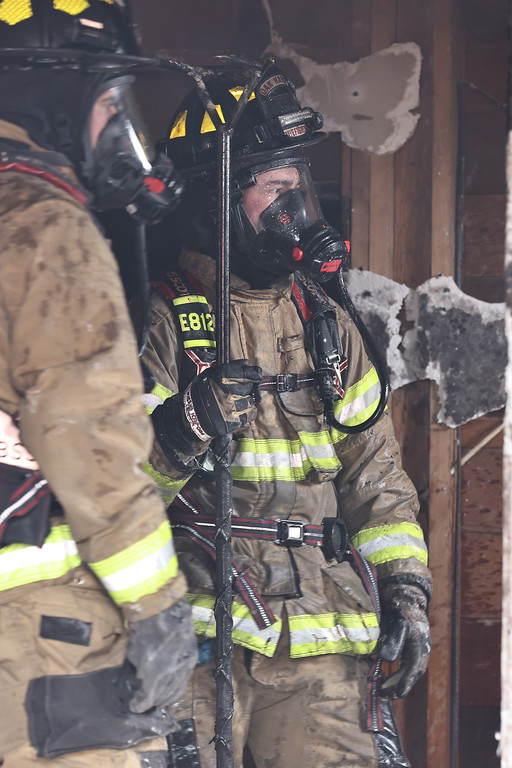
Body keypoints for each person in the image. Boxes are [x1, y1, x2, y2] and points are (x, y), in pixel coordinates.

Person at [142, 64, 432, 768]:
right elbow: (115, 490)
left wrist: (405, 589)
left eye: (297, 186)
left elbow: (374, 474)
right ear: (217, 198)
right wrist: (184, 427)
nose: (295, 210)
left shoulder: (325, 321)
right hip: (203, 637)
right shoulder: (161, 320)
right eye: (274, 190)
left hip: (324, 636)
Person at [0, 3, 197, 767]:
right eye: (110, 102)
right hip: (38, 639)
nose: (120, 126)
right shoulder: (42, 224)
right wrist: (158, 605)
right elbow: (88, 433)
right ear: (50, 96)